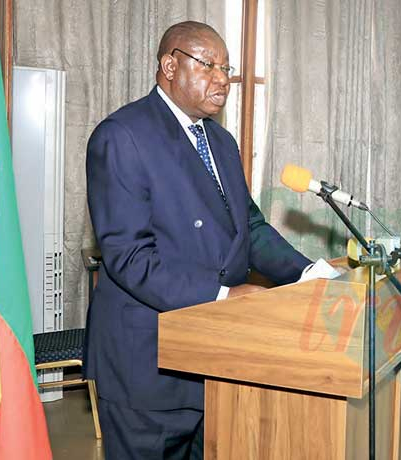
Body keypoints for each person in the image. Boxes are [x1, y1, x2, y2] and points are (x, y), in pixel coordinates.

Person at [85, 21, 312, 459]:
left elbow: (250, 228)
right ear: (170, 65)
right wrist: (223, 296)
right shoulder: (122, 136)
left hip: (211, 357)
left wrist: (307, 271)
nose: (222, 79)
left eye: (226, 68)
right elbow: (128, 257)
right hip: (146, 364)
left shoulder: (222, 142)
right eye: (208, 65)